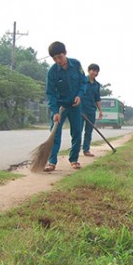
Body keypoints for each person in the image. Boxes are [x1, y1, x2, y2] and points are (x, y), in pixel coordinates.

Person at [44, 41, 87, 171]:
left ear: (65, 53)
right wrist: (55, 111)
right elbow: (50, 93)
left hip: (75, 106)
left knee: (77, 132)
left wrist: (80, 95)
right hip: (60, 107)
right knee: (55, 134)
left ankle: (74, 159)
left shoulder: (76, 64)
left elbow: (83, 82)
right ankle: (52, 161)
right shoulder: (52, 72)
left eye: (60, 57)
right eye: (55, 58)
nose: (58, 61)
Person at [81, 63, 103, 157]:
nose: (95, 73)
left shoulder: (97, 85)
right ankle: (75, 150)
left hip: (91, 110)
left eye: (97, 71)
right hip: (80, 110)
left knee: (89, 131)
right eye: (93, 70)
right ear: (89, 71)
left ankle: (86, 150)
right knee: (78, 130)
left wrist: (100, 111)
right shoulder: (82, 81)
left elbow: (97, 98)